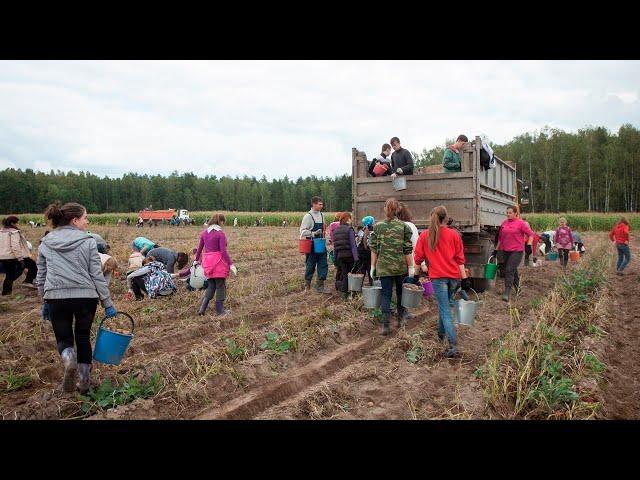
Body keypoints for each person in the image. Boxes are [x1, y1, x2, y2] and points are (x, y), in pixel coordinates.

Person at [36, 202, 116, 394]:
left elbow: (41, 275)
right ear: (74, 220)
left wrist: (44, 301)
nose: (87, 222)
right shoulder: (88, 242)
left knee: (64, 338)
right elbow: (97, 275)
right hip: (85, 297)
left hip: (56, 297)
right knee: (83, 338)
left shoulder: (46, 242)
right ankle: (85, 382)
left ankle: (69, 359)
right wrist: (107, 303)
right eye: (85, 218)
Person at [413, 205, 471, 358]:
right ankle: (440, 334)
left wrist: (415, 276)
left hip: (438, 278)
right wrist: (464, 279)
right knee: (444, 306)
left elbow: (418, 258)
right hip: (454, 278)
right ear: (446, 218)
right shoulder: (454, 235)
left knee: (445, 310)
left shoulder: (425, 235)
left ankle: (452, 345)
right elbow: (460, 260)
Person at [370, 198, 413, 335]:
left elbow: (374, 249)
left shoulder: (378, 227)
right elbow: (407, 249)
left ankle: (385, 325)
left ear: (385, 209)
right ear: (397, 210)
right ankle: (400, 320)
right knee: (401, 294)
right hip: (400, 267)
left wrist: (372, 266)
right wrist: (411, 267)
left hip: (384, 268)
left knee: (386, 295)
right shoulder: (404, 227)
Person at [194, 214, 237, 316]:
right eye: (223, 223)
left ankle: (202, 309)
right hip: (218, 262)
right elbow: (223, 251)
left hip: (208, 262)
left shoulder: (204, 233)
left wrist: (196, 261)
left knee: (211, 285)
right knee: (220, 285)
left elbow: (199, 249)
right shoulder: (220, 234)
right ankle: (220, 310)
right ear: (220, 222)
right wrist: (231, 264)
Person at [496, 206, 534, 302]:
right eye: (507, 212)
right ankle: (518, 288)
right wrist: (496, 249)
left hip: (517, 250)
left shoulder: (521, 223)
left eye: (510, 212)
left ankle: (507, 292)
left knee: (509, 269)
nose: (508, 214)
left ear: (516, 213)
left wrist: (529, 245)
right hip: (506, 250)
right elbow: (500, 238)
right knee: (512, 269)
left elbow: (531, 234)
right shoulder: (504, 223)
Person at [299, 196, 331, 293]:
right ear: (313, 204)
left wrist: (326, 238)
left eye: (322, 204)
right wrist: (313, 233)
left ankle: (320, 287)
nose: (321, 206)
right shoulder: (308, 216)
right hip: (312, 244)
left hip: (321, 243)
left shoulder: (322, 215)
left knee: (323, 264)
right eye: (319, 204)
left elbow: (324, 229)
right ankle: (307, 286)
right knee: (310, 264)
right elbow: (302, 231)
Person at [1, 216, 38, 294]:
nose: (18, 224)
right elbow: (15, 246)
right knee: (33, 266)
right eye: (17, 222)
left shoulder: (1, 231)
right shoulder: (13, 232)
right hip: (12, 256)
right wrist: (20, 259)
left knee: (10, 274)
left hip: (3, 256)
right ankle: (28, 281)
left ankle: (6, 293)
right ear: (12, 223)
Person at [332, 212, 359, 300]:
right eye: (350, 218)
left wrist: (335, 259)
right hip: (350, 256)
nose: (351, 220)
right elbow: (353, 245)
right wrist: (356, 258)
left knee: (344, 274)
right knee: (353, 274)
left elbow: (335, 247)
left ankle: (344, 294)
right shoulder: (349, 230)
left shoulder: (336, 231)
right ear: (347, 219)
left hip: (340, 257)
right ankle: (353, 293)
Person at [397, 203, 419, 276]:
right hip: (411, 264)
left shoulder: (393, 227)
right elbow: (416, 245)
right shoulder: (411, 226)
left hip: (396, 265)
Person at [355, 216, 375, 286]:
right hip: (368, 254)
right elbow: (372, 244)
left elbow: (357, 242)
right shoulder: (372, 230)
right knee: (371, 272)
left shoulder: (360, 230)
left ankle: (358, 288)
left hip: (360, 254)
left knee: (361, 272)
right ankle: (372, 287)